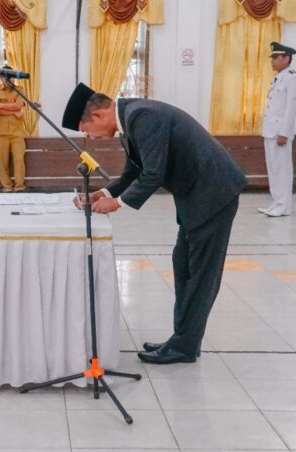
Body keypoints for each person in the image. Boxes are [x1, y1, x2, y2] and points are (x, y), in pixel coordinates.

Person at [62, 83, 246, 365]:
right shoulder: (131, 118)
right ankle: (182, 338)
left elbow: (153, 173)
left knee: (202, 275)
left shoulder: (143, 116)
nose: (90, 137)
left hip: (212, 193)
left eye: (87, 130)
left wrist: (118, 204)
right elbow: (133, 171)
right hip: (196, 196)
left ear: (98, 116)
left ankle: (184, 346)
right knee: (183, 265)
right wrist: (105, 193)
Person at [259, 42, 296, 217]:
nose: (273, 61)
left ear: (286, 58)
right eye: (272, 58)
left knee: (282, 170)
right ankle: (276, 202)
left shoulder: (292, 78)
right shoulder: (278, 78)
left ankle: (283, 206)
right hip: (270, 130)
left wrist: (284, 132)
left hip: (279, 133)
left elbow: (291, 108)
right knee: (273, 168)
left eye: (276, 57)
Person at [0, 65, 27, 193]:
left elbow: (18, 105)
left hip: (17, 132)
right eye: (5, 76)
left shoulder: (20, 90)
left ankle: (19, 186)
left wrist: (2, 105)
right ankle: (7, 186)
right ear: (0, 77)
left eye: (11, 76)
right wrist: (13, 110)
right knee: (2, 162)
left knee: (19, 159)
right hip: (0, 132)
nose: (9, 79)